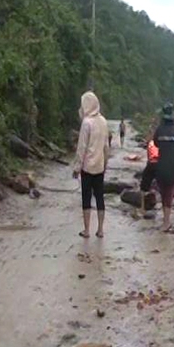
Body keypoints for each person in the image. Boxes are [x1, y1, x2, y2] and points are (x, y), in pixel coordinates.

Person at [73, 91, 109, 238]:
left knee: (86, 197)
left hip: (87, 167)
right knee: (100, 197)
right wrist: (105, 164)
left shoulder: (86, 123)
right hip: (100, 166)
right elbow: (106, 147)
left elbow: (82, 148)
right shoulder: (104, 121)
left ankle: (87, 230)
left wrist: (76, 167)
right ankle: (100, 229)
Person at [153, 101, 174, 233]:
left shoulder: (159, 129)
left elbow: (155, 143)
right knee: (169, 194)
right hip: (172, 167)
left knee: (163, 193)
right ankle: (167, 222)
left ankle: (165, 221)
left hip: (160, 165)